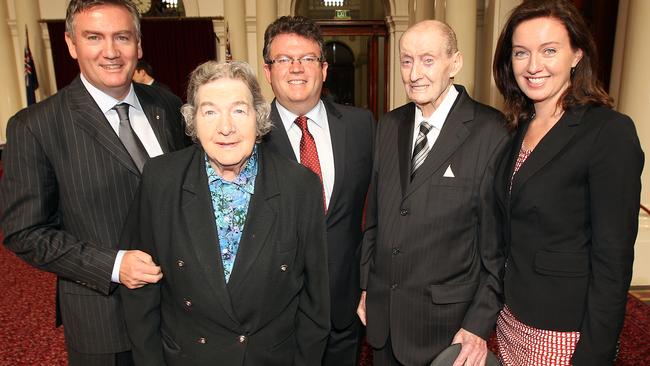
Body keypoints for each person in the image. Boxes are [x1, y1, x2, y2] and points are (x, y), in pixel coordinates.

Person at [0, 0, 188, 364]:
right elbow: (24, 232)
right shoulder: (35, 126)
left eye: (122, 37)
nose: (111, 51)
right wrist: (115, 266)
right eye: (94, 37)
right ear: (71, 44)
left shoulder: (167, 104)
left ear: (139, 44)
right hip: (105, 322)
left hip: (181, 312)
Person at [120, 60, 330, 366]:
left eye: (239, 110)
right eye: (209, 111)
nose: (226, 127)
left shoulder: (300, 186)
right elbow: (141, 290)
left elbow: (316, 302)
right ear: (192, 121)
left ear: (258, 118)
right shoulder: (161, 180)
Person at [492, 1, 644, 365]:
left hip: (563, 333)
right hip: (510, 319)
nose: (533, 66)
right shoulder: (516, 129)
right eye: (521, 53)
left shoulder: (608, 132)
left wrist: (595, 354)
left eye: (549, 51)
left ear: (577, 54)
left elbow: (613, 262)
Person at [358, 20, 509, 366]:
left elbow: (497, 250)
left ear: (454, 63)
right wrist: (367, 285)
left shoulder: (492, 132)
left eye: (427, 60)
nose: (414, 74)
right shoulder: (389, 124)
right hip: (384, 322)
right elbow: (375, 218)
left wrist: (477, 324)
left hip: (446, 331)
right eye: (406, 60)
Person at [261, 16, 375, 366]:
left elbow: (380, 212)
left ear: (323, 69)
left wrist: (371, 283)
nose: (296, 68)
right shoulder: (249, 137)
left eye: (308, 58)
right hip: (277, 315)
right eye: (284, 59)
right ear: (268, 71)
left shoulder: (362, 126)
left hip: (345, 309)